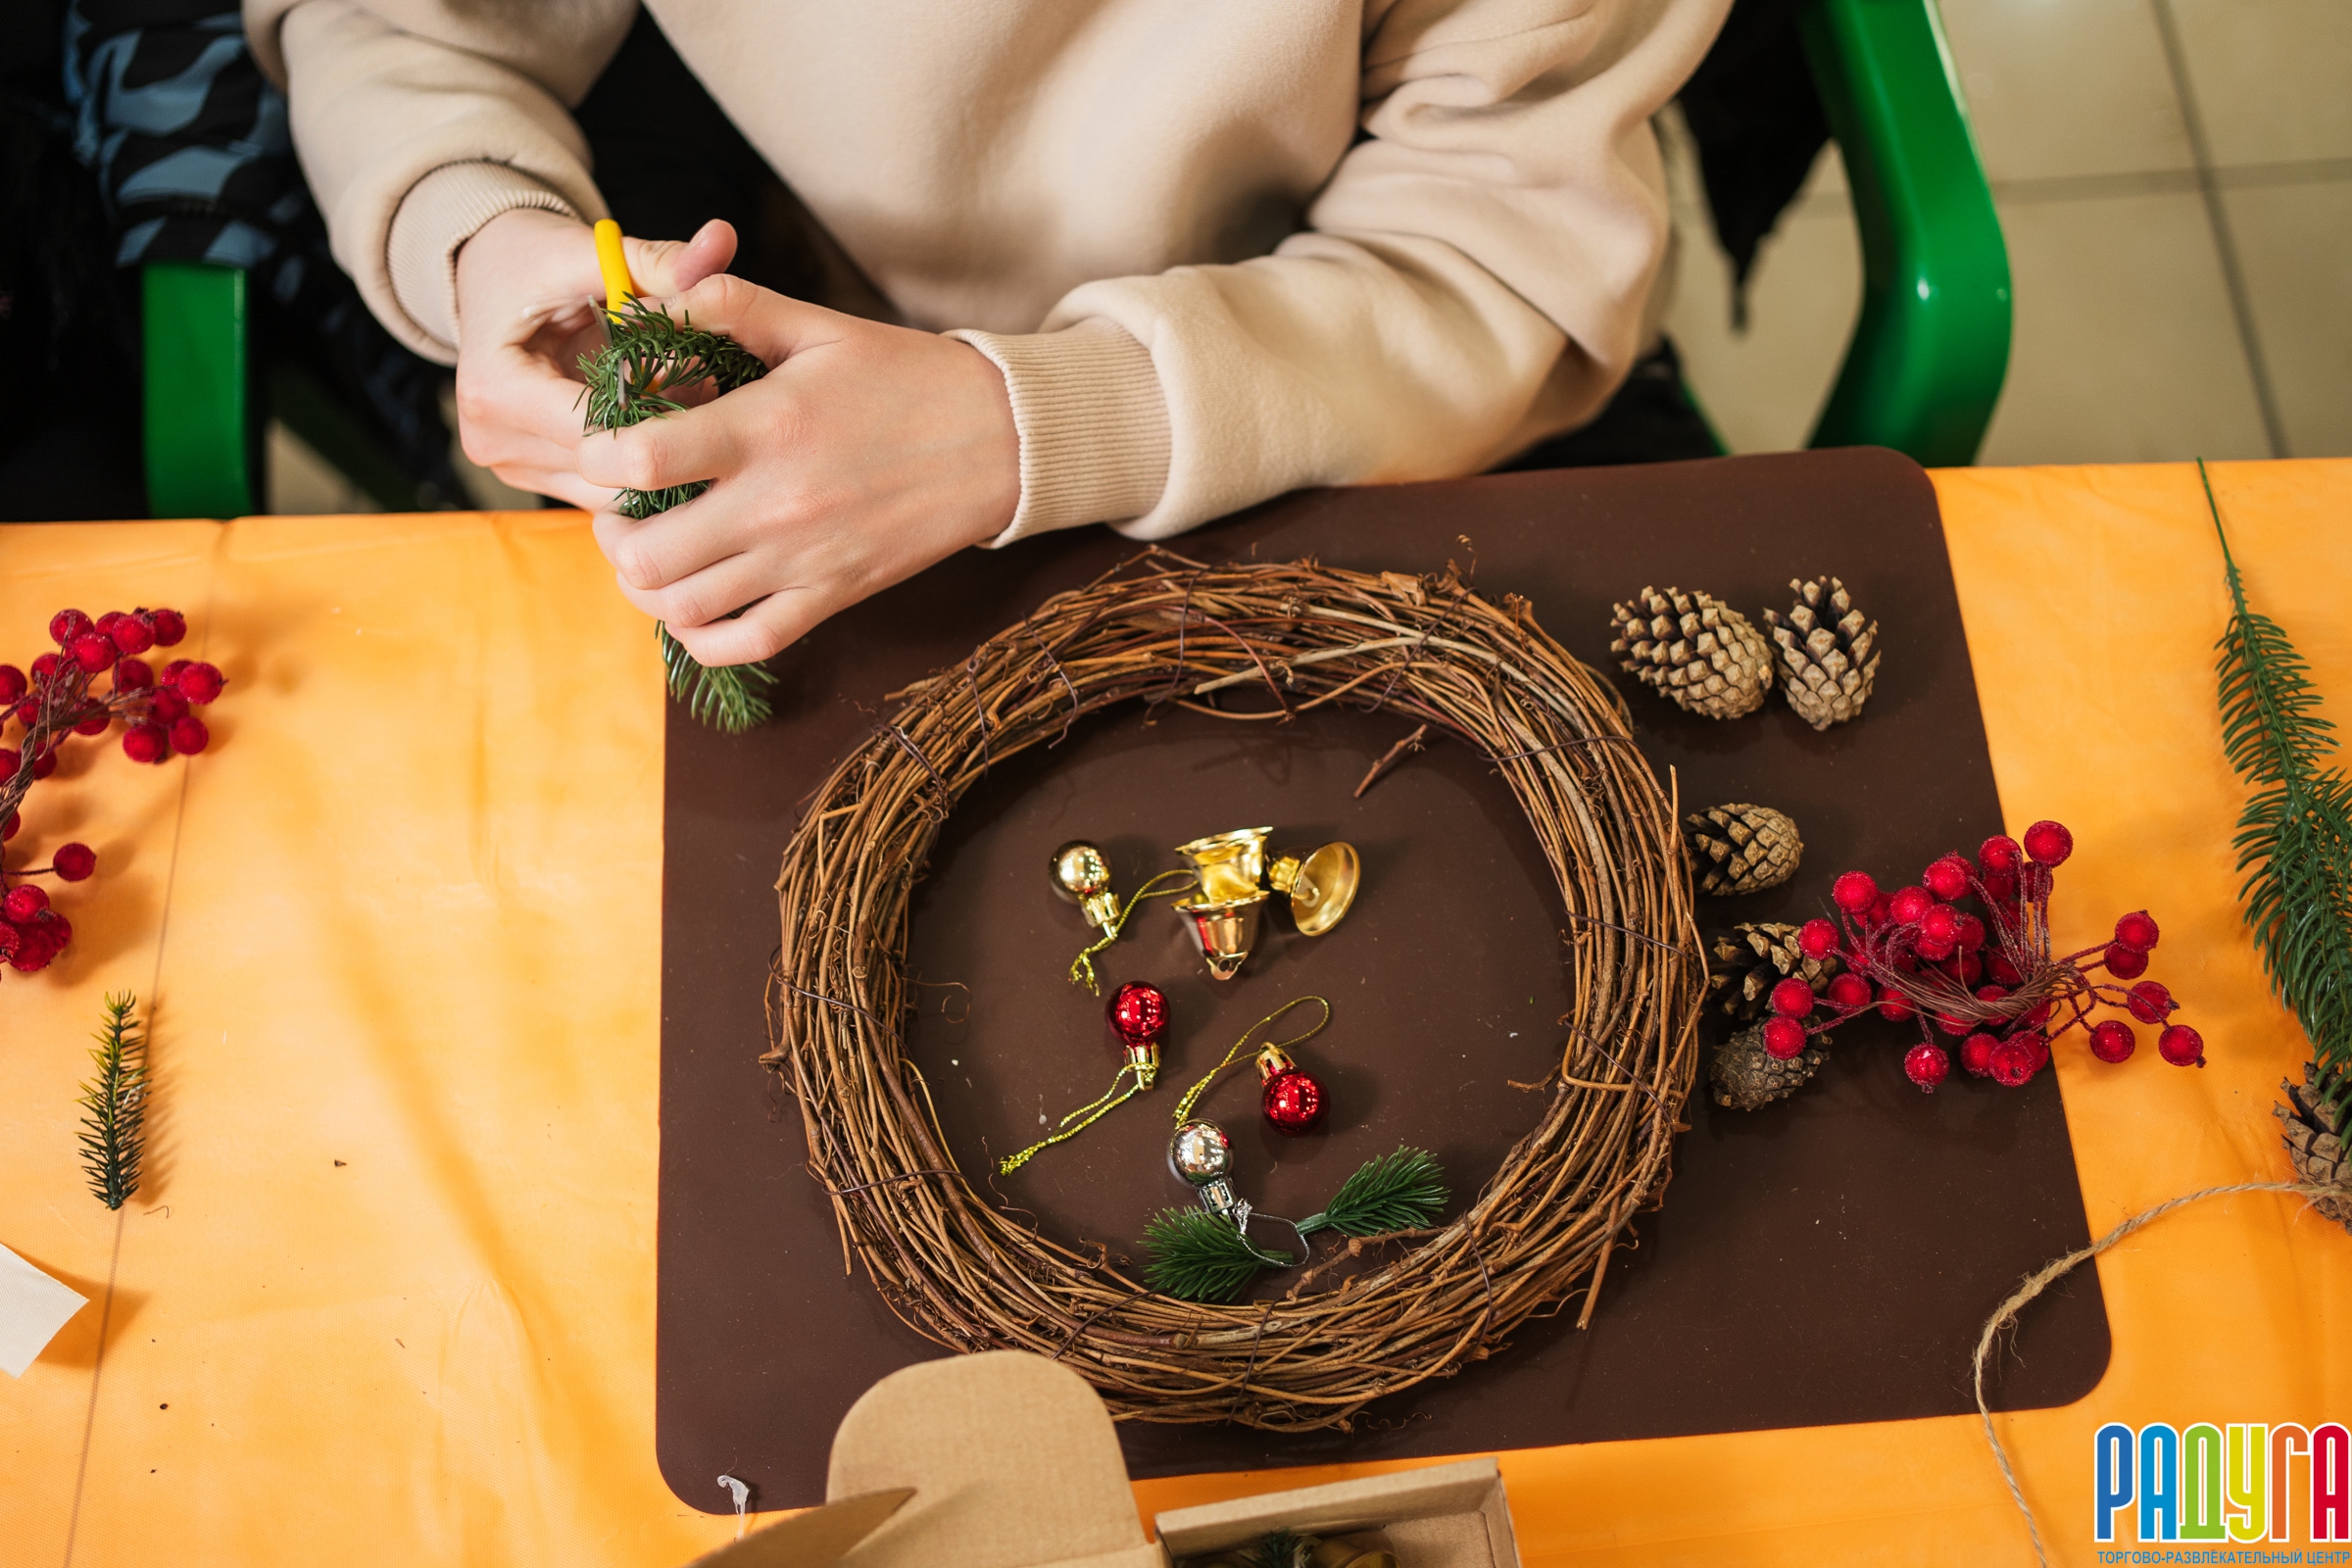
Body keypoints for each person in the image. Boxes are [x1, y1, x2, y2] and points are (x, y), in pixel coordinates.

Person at [243, 0, 1732, 664]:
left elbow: (1495, 249)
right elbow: (403, 24)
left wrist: (1032, 420)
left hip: (1365, 390)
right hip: (816, 348)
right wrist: (480, 226)